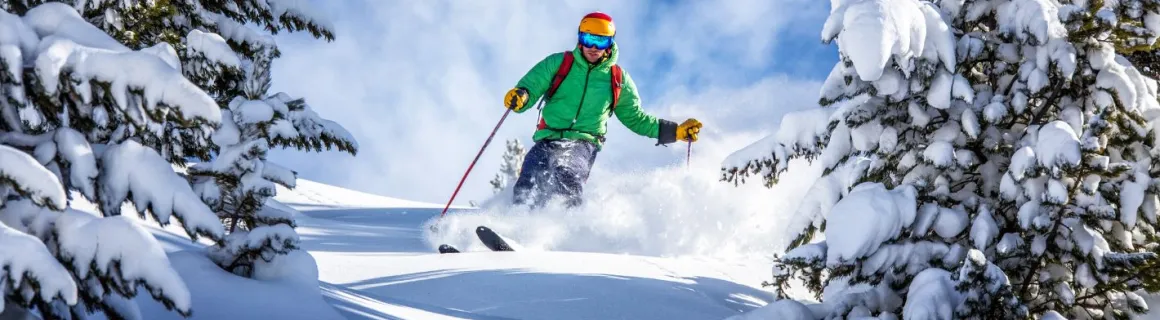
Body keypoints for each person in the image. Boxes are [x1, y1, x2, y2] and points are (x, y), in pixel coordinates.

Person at [502, 11, 702, 208]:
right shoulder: (559, 63)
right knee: (529, 177)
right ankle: (519, 223)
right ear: (580, 39)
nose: (594, 48)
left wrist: (675, 132)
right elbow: (532, 85)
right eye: (589, 39)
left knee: (567, 172)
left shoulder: (617, 79)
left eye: (601, 41)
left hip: (583, 142)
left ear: (610, 43)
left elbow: (636, 119)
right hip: (548, 137)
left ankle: (562, 225)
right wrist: (521, 96)